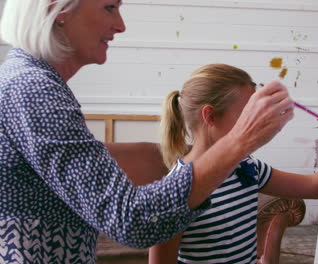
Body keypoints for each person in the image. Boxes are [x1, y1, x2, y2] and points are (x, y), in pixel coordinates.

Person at [0, 1, 294, 263]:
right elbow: (133, 221)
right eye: (109, 7)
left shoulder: (27, 82)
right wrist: (241, 139)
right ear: (57, 8)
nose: (121, 25)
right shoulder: (33, 89)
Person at [149, 64, 318, 264]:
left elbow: (314, 187)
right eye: (247, 114)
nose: (258, 120)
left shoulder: (246, 166)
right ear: (211, 116)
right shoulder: (177, 191)